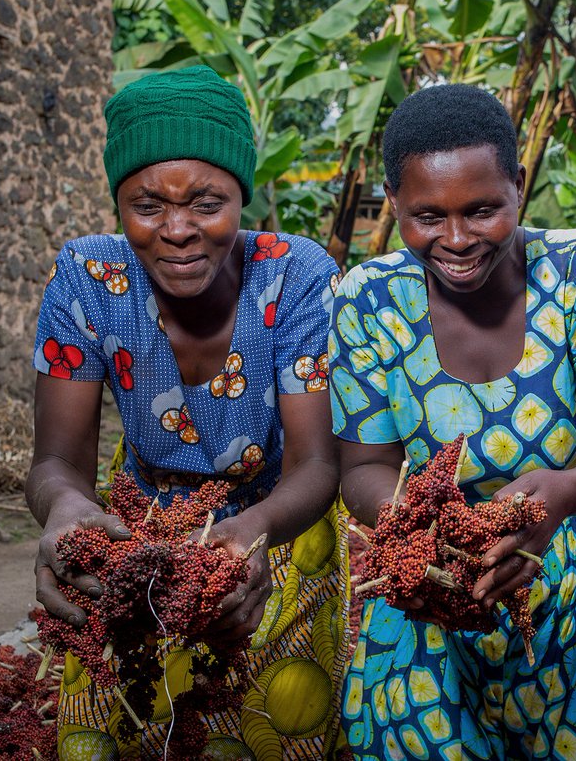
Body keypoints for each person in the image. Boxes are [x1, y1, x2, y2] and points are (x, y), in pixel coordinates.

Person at [330, 83, 576, 759]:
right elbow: (364, 467)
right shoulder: (368, 302)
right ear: (394, 204)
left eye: (483, 209)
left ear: (519, 187)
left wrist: (558, 497)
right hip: (438, 564)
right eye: (427, 216)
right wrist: (422, 532)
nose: (457, 238)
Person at [27, 65, 349, 758]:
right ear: (118, 203)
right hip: (140, 518)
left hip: (279, 517)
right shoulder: (87, 279)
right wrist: (65, 509)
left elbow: (319, 461)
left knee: (265, 722)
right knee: (117, 725)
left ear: (243, 197)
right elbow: (56, 460)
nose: (177, 230)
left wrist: (252, 533)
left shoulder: (297, 277)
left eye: (207, 202)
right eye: (148, 205)